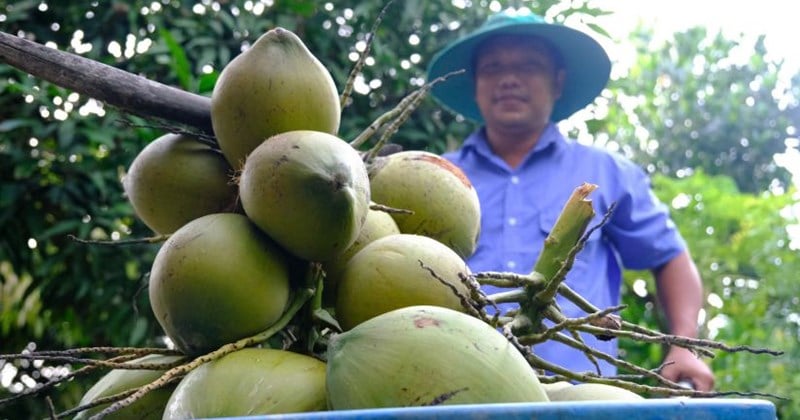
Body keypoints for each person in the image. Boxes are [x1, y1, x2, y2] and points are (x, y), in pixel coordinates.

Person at [426, 9, 715, 391]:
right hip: (455, 393)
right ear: (476, 84)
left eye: (528, 66)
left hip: (582, 397)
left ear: (557, 82)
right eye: (493, 68)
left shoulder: (608, 173)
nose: (509, 79)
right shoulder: (433, 177)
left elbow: (669, 257)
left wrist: (683, 344)